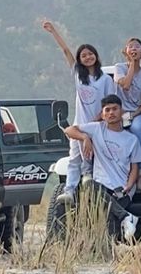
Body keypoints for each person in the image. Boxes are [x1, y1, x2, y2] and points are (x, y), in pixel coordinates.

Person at [42, 20, 120, 202]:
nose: (87, 57)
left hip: (98, 126)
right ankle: (69, 191)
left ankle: (92, 194)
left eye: (90, 54)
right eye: (83, 55)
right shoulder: (78, 74)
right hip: (79, 126)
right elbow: (65, 51)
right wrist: (54, 31)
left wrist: (95, 120)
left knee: (91, 162)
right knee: (74, 159)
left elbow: (110, 104)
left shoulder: (106, 80)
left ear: (96, 56)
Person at [64, 94, 141, 242]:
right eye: (107, 110)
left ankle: (116, 236)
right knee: (89, 184)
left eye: (115, 109)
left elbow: (134, 168)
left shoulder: (132, 139)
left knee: (109, 223)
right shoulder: (96, 128)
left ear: (122, 111)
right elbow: (68, 130)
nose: (111, 113)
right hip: (101, 185)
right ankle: (126, 217)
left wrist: (129, 185)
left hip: (121, 189)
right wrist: (85, 138)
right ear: (102, 114)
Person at [113, 39, 141, 173]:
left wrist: (133, 114)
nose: (134, 49)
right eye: (130, 47)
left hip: (137, 112)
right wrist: (132, 65)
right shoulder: (119, 67)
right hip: (118, 112)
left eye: (137, 46)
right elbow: (125, 84)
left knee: (136, 129)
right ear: (126, 51)